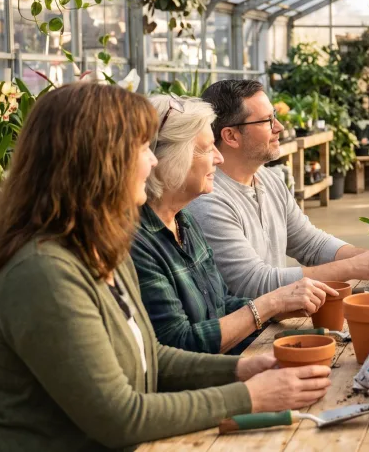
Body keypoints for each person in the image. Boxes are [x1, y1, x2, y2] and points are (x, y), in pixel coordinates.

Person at [0, 84, 331, 450]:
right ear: (100, 161)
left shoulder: (96, 247)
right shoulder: (43, 273)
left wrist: (242, 368)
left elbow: (150, 355)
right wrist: (250, 396)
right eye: (142, 149)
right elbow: (119, 418)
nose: (153, 162)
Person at [132, 96, 338, 355]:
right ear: (170, 158)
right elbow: (179, 343)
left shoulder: (183, 221)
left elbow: (220, 304)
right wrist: (268, 305)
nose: (218, 158)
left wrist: (278, 307)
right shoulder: (138, 243)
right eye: (207, 148)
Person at [187, 79, 369, 298]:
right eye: (267, 121)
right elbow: (255, 283)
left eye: (275, 116)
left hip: (278, 312)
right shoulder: (208, 200)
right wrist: (353, 267)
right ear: (231, 136)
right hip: (247, 320)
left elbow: (309, 243)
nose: (279, 127)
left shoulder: (269, 180)